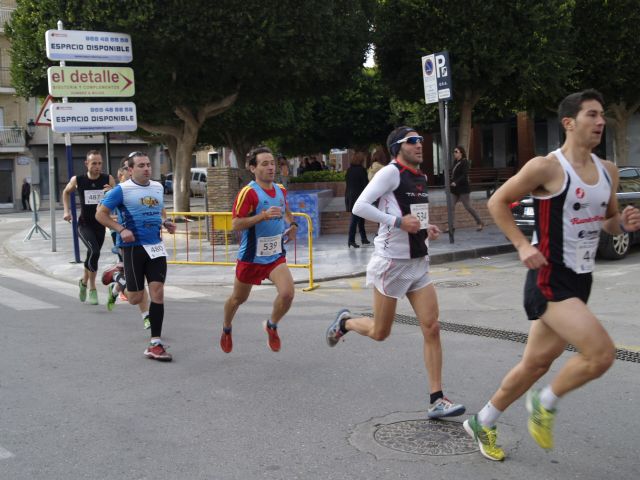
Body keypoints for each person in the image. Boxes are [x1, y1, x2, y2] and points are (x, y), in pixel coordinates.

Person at [463, 89, 640, 461]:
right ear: (569, 122)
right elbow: (498, 201)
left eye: (602, 115)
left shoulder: (607, 170)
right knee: (601, 354)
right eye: (592, 115)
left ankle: (483, 419)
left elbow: (607, 222)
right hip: (548, 278)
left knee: (536, 364)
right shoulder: (547, 167)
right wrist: (522, 246)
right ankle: (545, 402)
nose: (600, 121)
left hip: (581, 279)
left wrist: (621, 224)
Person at [325, 126, 466, 419]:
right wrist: (398, 223)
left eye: (420, 141)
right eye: (412, 141)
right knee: (380, 332)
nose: (419, 145)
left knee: (432, 327)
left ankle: (437, 399)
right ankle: (347, 322)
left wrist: (428, 228)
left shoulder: (421, 177)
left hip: (417, 262)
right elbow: (359, 206)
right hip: (391, 263)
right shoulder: (390, 173)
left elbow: (416, 216)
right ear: (397, 147)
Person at [96, 152, 177, 362]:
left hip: (156, 247)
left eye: (148, 164)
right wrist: (120, 229)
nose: (147, 168)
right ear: (130, 170)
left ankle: (155, 343)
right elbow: (100, 214)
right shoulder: (121, 190)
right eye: (141, 165)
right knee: (134, 298)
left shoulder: (158, 187)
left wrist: (166, 223)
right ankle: (117, 277)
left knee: (157, 292)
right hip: (133, 248)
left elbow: (160, 210)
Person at [220, 146, 298, 354]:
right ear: (252, 168)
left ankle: (271, 326)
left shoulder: (280, 189)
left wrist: (293, 226)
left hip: (274, 256)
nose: (271, 167)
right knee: (238, 299)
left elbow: (286, 211)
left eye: (272, 163)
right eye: (264, 164)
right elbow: (235, 224)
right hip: (251, 257)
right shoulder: (249, 193)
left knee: (288, 293)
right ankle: (227, 328)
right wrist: (261, 216)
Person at [102, 161, 151, 330]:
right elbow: (102, 214)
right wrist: (120, 227)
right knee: (137, 284)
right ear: (120, 177)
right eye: (124, 177)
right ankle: (146, 316)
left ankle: (115, 289)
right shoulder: (115, 193)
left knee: (137, 280)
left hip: (145, 242)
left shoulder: (141, 191)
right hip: (125, 243)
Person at [62, 150, 115, 305]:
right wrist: (67, 211)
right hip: (84, 224)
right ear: (86, 164)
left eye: (99, 163)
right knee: (95, 251)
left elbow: (119, 197)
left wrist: (111, 192)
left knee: (92, 255)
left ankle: (83, 282)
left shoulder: (108, 179)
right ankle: (92, 288)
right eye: (94, 163)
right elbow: (66, 193)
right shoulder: (78, 180)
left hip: (101, 225)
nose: (97, 166)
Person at [448, 146, 484, 232]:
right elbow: (454, 174)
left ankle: (480, 222)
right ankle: (451, 227)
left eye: (456, 151)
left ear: (461, 153)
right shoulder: (455, 162)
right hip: (454, 189)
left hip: (463, 188)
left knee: (468, 207)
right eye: (454, 151)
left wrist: (456, 182)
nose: (454, 153)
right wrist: (451, 182)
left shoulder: (465, 162)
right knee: (451, 206)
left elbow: (464, 175)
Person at [345, 151, 370, 248]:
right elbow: (366, 185)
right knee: (355, 219)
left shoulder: (349, 170)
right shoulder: (361, 170)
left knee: (359, 218)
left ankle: (363, 238)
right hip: (359, 197)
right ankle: (351, 240)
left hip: (350, 196)